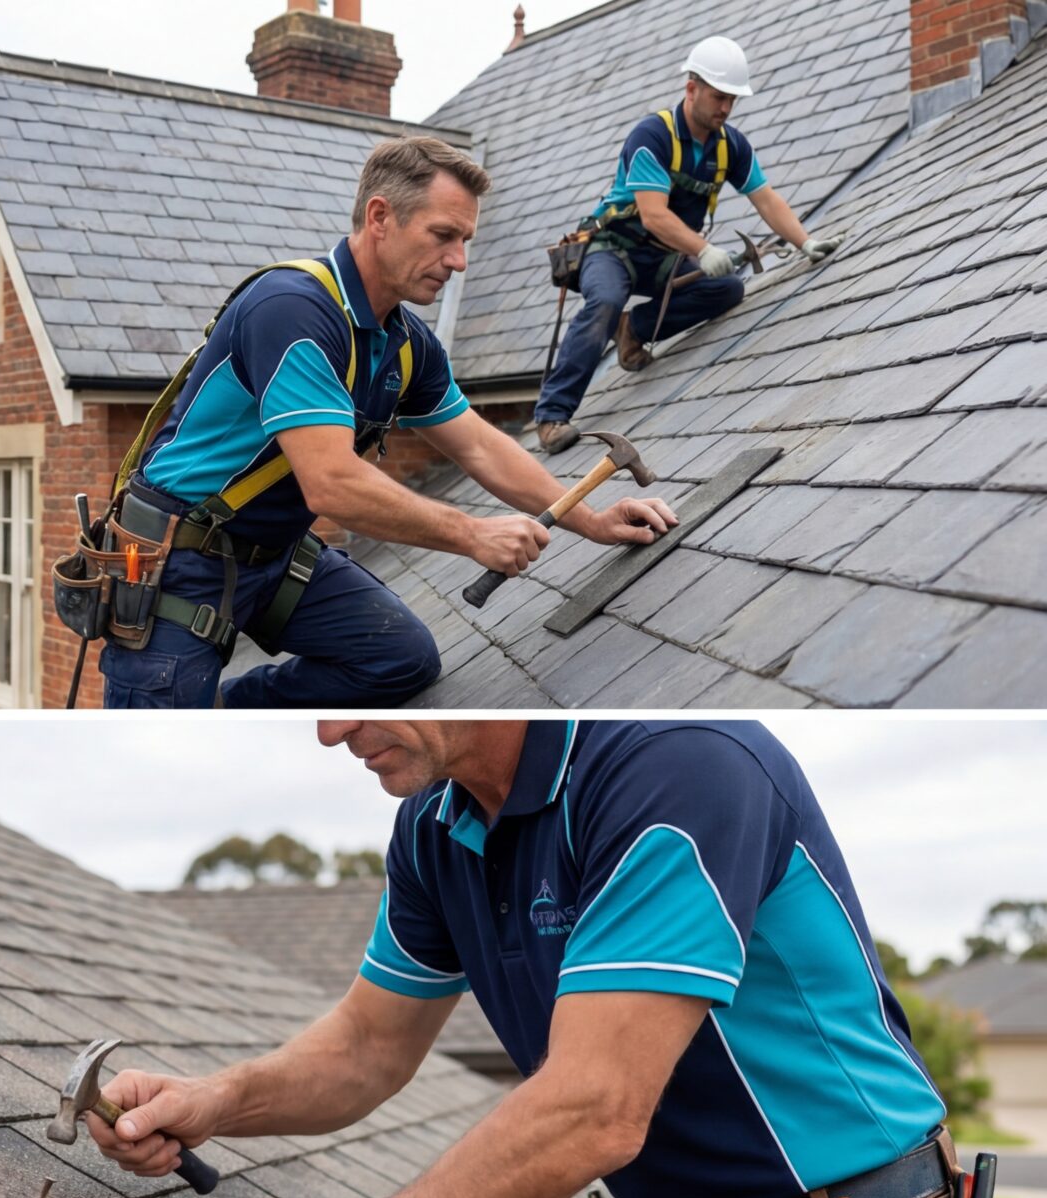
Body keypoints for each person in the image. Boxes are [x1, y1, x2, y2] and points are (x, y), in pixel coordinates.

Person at [78, 721, 972, 1198]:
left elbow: (593, 1108)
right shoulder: (436, 825)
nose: (331, 729)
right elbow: (367, 1045)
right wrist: (214, 1101)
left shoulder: (680, 768)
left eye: (370, 697)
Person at [98, 138, 676, 709]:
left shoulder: (404, 343)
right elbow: (332, 484)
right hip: (176, 560)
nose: (459, 261)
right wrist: (473, 534)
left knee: (399, 660)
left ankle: (228, 709)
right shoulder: (292, 310)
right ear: (380, 217)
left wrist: (593, 521)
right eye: (443, 236)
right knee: (171, 732)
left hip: (272, 555)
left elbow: (478, 446)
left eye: (465, 241)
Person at [532, 37, 836, 453]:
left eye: (732, 99)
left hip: (663, 257)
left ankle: (631, 329)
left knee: (727, 288)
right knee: (605, 299)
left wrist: (805, 242)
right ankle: (552, 415)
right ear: (691, 88)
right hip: (614, 249)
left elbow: (764, 197)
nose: (725, 108)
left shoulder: (731, 146)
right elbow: (654, 214)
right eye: (718, 97)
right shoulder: (652, 136)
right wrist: (704, 249)